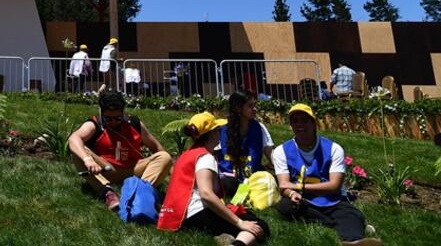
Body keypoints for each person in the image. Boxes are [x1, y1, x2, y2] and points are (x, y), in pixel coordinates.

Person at [273, 104, 381, 246]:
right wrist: (292, 193)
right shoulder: (281, 151)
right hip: (303, 201)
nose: (300, 125)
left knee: (350, 212)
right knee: (285, 206)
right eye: (295, 121)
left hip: (332, 199)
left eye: (304, 120)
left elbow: (334, 186)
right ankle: (335, 223)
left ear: (313, 123)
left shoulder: (334, 149)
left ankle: (353, 241)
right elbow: (284, 185)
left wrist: (299, 186)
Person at [157, 111, 269, 245]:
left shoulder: (187, 155)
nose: (220, 134)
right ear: (212, 134)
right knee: (258, 225)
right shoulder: (205, 157)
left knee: (246, 215)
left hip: (179, 216)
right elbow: (206, 194)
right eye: (218, 130)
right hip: (197, 214)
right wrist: (239, 222)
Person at [67, 90, 171, 212]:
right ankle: (107, 192)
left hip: (134, 170)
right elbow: (74, 138)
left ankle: (139, 192)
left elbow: (157, 148)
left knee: (164, 157)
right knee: (78, 150)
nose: (113, 122)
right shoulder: (95, 124)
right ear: (101, 112)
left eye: (118, 118)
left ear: (123, 112)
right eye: (108, 118)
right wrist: (88, 160)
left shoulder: (134, 123)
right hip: (106, 169)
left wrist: (174, 175)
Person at [218, 91, 274, 197]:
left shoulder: (259, 128)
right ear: (237, 108)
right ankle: (242, 194)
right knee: (228, 183)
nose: (254, 109)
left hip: (252, 179)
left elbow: (272, 156)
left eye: (255, 105)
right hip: (228, 178)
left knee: (268, 180)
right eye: (250, 106)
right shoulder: (221, 131)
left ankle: (245, 192)